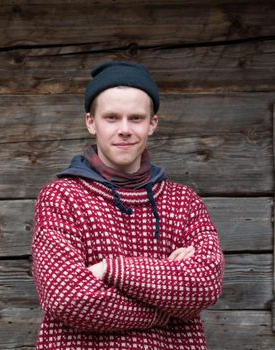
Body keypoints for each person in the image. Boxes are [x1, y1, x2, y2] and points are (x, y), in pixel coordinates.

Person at [31, 61, 224, 349]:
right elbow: (68, 298)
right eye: (111, 117)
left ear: (152, 124)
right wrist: (165, 309)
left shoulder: (184, 202)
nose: (124, 130)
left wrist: (110, 269)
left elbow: (205, 284)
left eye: (136, 118)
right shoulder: (62, 198)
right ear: (91, 122)